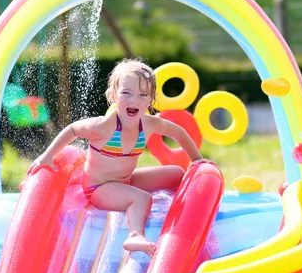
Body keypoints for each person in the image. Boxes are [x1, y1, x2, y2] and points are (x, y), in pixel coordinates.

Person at [27, 58, 206, 257]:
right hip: (99, 189)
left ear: (150, 100)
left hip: (126, 180)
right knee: (141, 198)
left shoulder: (148, 124)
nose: (134, 100)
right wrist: (47, 155)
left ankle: (185, 215)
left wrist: (197, 159)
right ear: (113, 96)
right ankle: (135, 236)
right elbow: (73, 130)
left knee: (176, 174)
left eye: (143, 94)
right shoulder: (104, 126)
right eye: (126, 93)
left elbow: (178, 132)